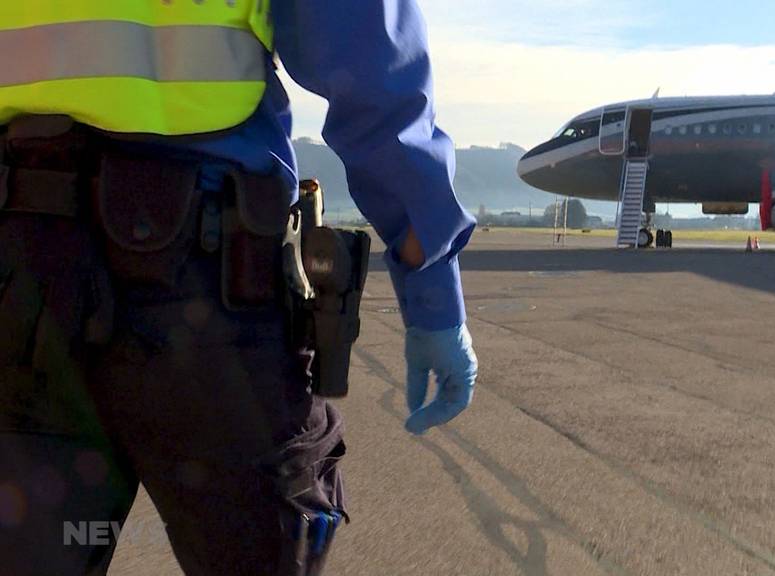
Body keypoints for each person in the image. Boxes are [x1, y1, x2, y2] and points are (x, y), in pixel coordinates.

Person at [0, 1, 477, 574]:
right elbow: (375, 88)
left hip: (18, 273)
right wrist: (433, 298)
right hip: (206, 285)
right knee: (266, 546)